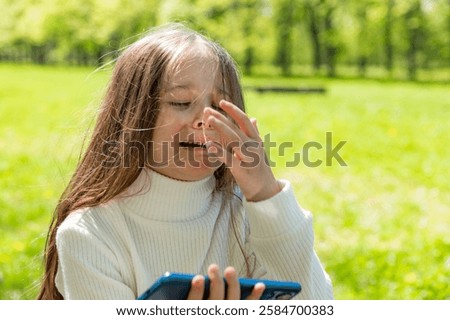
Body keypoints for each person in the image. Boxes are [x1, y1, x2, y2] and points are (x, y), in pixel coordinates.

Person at [38, 23, 333, 300]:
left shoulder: (248, 215)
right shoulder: (91, 235)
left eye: (220, 105)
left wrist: (266, 193)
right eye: (180, 102)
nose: (206, 119)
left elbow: (317, 306)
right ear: (132, 116)